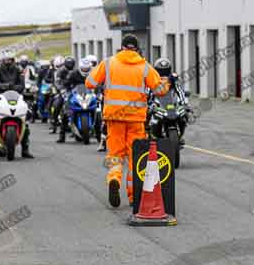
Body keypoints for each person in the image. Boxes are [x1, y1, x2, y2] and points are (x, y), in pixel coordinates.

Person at [85, 35, 170, 208]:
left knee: (115, 154)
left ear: (122, 47)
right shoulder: (144, 67)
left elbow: (89, 83)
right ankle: (133, 197)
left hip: (114, 117)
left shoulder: (108, 63)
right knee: (135, 158)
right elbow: (160, 91)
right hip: (135, 119)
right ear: (137, 49)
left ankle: (114, 179)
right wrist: (166, 81)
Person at [0, 50, 34, 159]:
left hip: (16, 96)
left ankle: (25, 149)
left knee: (26, 118)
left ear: (13, 60)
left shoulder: (18, 70)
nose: (8, 61)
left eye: (10, 59)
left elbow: (22, 85)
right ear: (2, 60)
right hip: (0, 96)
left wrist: (11, 87)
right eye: (6, 60)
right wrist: (6, 86)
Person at [150, 57, 189, 143]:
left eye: (166, 70)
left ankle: (180, 134)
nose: (163, 73)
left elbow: (180, 90)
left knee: (184, 115)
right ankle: (149, 133)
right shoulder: (152, 78)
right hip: (157, 103)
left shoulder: (174, 78)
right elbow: (149, 91)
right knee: (147, 115)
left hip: (171, 103)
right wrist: (149, 103)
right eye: (161, 71)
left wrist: (184, 104)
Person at [56, 57, 93, 143]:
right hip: (75, 94)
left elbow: (99, 82)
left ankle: (100, 134)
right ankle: (62, 136)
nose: (85, 69)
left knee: (99, 110)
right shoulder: (73, 73)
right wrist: (63, 89)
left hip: (89, 94)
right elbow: (66, 83)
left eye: (87, 68)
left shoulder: (93, 73)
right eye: (84, 68)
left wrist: (99, 91)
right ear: (80, 67)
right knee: (65, 111)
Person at [50, 56, 76, 134]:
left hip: (73, 91)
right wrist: (61, 89)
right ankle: (53, 124)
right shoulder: (60, 71)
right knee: (57, 104)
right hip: (63, 91)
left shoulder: (75, 71)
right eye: (68, 64)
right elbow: (57, 82)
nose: (70, 65)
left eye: (71, 64)